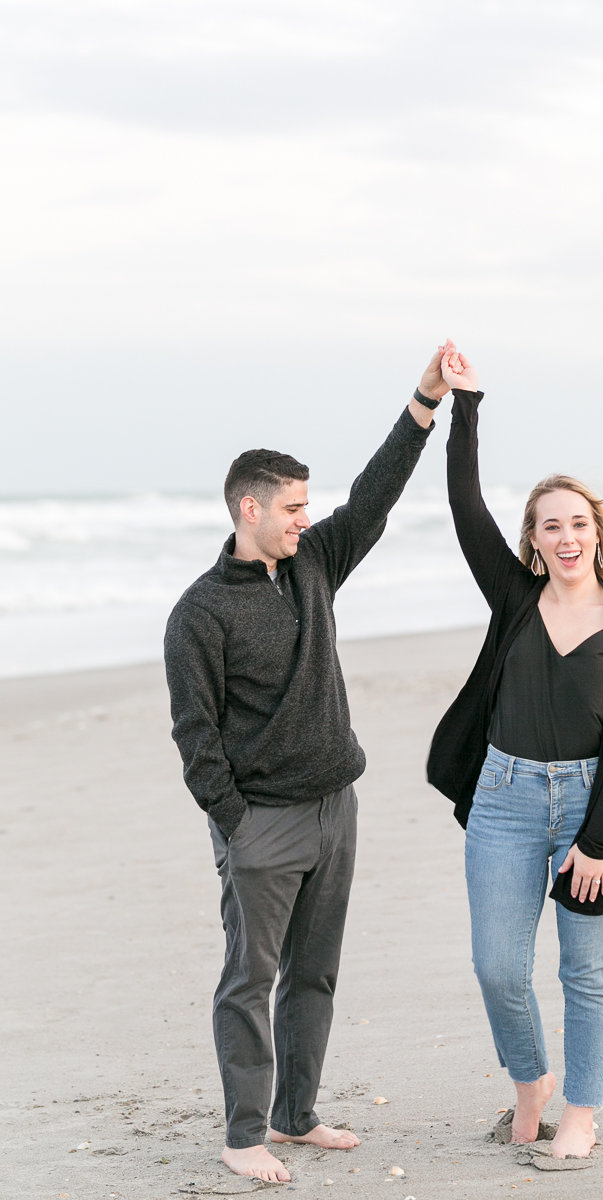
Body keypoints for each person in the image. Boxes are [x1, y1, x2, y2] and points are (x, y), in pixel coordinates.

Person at [164, 346, 451, 1183]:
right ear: (247, 508)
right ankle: (244, 1133)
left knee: (314, 974)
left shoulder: (315, 563)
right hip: (263, 825)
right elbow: (194, 735)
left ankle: (295, 1117)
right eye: (291, 507)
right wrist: (237, 824)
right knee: (249, 981)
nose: (303, 518)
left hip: (336, 807)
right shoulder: (199, 614)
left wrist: (422, 402)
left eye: (305, 507)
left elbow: (375, 496)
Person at [427, 348, 603, 1160]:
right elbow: (463, 504)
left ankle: (582, 1114)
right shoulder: (514, 599)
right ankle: (531, 1083)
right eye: (550, 523)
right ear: (533, 538)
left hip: (596, 806)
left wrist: (596, 840)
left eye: (579, 522)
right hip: (505, 797)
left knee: (587, 975)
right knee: (497, 966)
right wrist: (465, 403)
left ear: (598, 534)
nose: (567, 536)